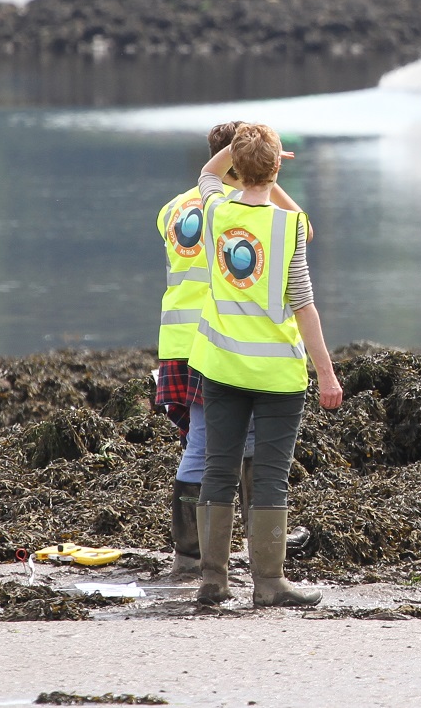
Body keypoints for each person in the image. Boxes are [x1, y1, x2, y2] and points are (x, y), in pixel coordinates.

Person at [188, 121, 343, 607]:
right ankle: (269, 584)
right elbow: (304, 304)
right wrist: (326, 371)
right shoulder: (289, 224)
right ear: (276, 169)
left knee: (218, 469)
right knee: (271, 475)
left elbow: (206, 175)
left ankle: (212, 581)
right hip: (277, 373)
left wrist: (242, 153)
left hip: (222, 366)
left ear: (236, 164)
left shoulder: (214, 212)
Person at [152, 121, 306, 580]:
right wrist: (268, 175)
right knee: (223, 447)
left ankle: (201, 553)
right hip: (215, 341)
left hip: (175, 340)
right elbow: (300, 234)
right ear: (238, 162)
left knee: (202, 446)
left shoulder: (174, 209)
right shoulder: (234, 212)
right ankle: (219, 556)